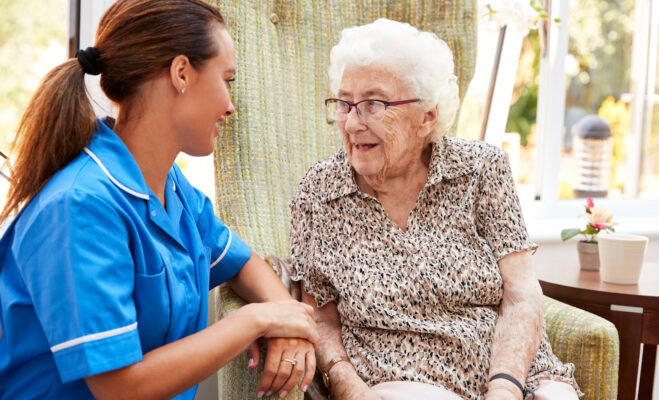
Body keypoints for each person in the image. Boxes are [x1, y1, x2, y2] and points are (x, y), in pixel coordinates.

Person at [0, 1, 317, 399]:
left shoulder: (172, 189)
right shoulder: (80, 206)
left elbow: (242, 263)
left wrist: (289, 325)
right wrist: (255, 320)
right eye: (227, 80)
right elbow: (119, 388)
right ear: (181, 73)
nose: (230, 106)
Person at [289, 19, 581, 400]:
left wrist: (505, 389)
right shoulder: (320, 191)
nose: (353, 123)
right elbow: (320, 318)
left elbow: (521, 292)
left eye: (373, 104)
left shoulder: (481, 170)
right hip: (403, 379)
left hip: (512, 375)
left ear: (428, 116)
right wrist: (349, 387)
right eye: (344, 103)